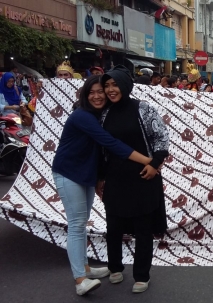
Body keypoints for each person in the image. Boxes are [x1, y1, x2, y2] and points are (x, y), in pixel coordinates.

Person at [51, 75, 153, 296]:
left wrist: (99, 178)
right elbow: (111, 143)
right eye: (92, 92)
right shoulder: (82, 116)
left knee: (81, 223)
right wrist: (149, 161)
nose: (98, 96)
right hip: (69, 173)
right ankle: (80, 280)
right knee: (77, 225)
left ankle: (85, 268)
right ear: (85, 96)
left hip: (85, 175)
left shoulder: (100, 115)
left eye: (101, 92)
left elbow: (99, 152)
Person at [98, 65, 169, 293]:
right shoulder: (104, 113)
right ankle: (115, 268)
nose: (110, 89)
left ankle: (141, 275)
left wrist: (154, 165)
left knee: (143, 228)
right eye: (107, 85)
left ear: (125, 85)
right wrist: (100, 177)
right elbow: (100, 147)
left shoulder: (143, 109)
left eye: (114, 84)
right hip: (115, 178)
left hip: (143, 177)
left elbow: (161, 138)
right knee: (114, 226)